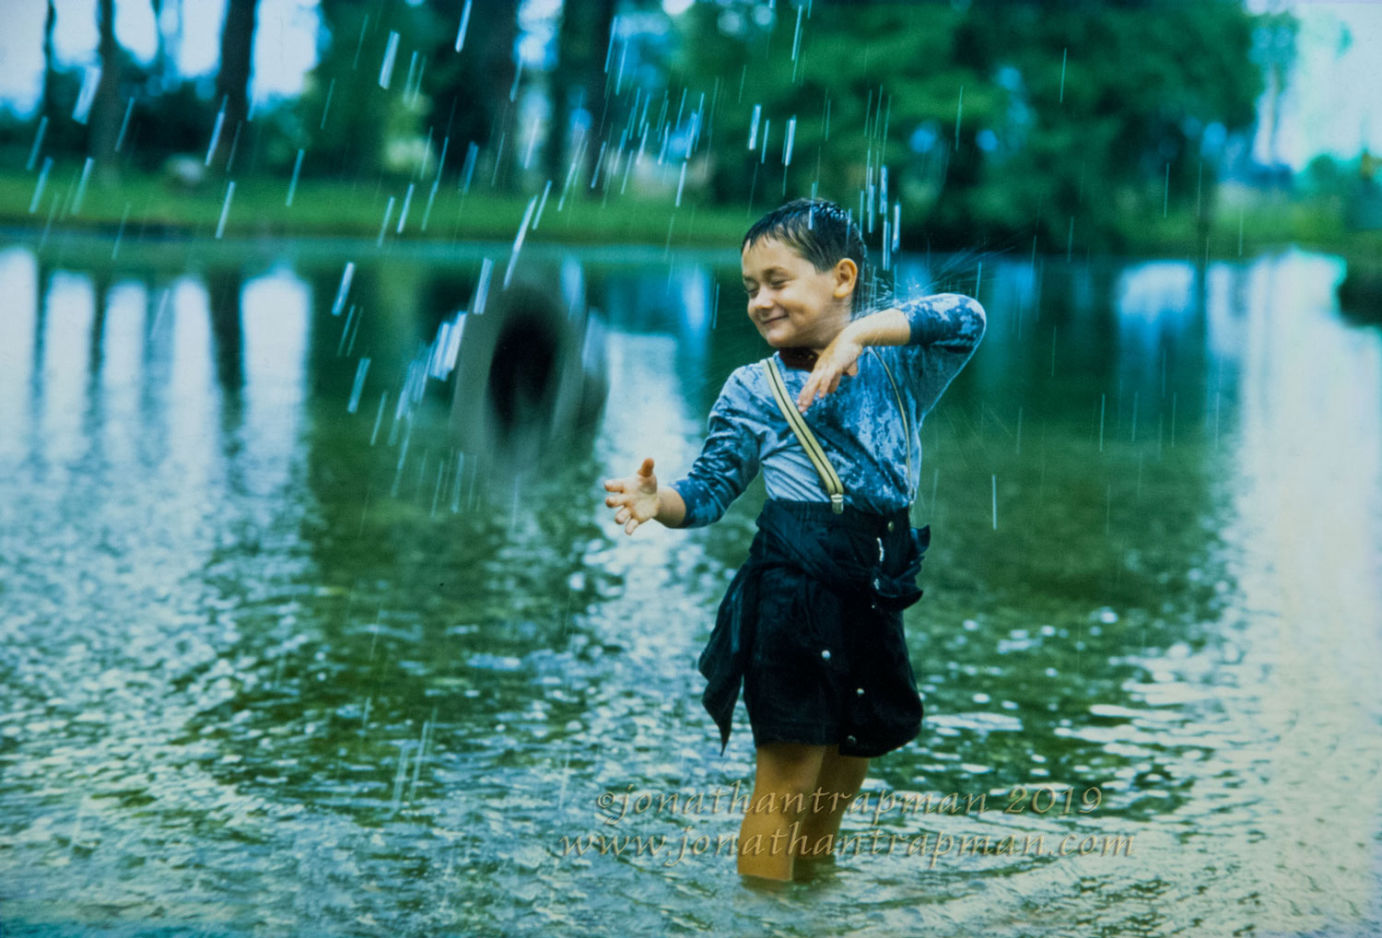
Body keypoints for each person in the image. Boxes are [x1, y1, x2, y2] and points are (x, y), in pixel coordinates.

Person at [602, 198, 986, 883]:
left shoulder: (899, 369)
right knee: (788, 775)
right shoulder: (751, 389)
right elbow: (710, 490)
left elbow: (967, 317)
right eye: (750, 288)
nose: (760, 301)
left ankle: (808, 903)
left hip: (875, 582)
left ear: (841, 279)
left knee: (848, 763)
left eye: (777, 282)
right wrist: (658, 502)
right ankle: (764, 918)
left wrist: (862, 335)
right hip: (793, 588)